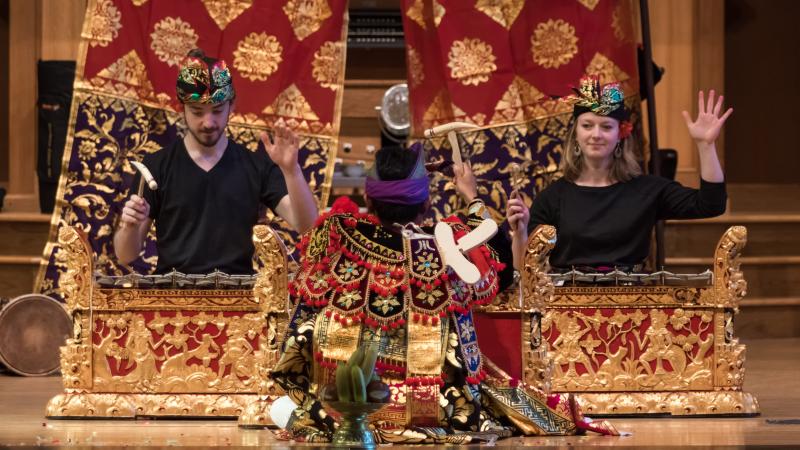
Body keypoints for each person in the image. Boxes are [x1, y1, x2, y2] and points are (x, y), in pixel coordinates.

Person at [269, 145, 618, 444]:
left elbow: (301, 321)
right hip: (432, 407)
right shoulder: (445, 247)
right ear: (425, 205)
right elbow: (501, 271)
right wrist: (471, 195)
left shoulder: (337, 235)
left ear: (368, 200)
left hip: (343, 404)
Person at [113, 49, 318, 274]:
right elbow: (125, 255)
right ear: (181, 108)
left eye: (217, 110)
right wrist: (129, 227)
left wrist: (292, 171)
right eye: (197, 111)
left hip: (239, 296)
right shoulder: (154, 167)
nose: (208, 122)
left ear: (232, 106)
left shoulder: (256, 166)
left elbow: (307, 226)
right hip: (171, 297)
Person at [507, 76, 731, 271]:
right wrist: (520, 233)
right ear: (575, 134)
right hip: (566, 308)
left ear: (620, 135)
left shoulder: (647, 190)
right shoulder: (553, 197)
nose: (596, 134)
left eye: (606, 126)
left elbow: (712, 204)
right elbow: (524, 268)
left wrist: (705, 145)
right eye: (587, 125)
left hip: (631, 306)